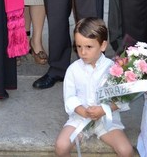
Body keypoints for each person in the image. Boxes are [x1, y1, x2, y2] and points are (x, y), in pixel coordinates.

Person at [54, 17, 133, 157]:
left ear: (103, 46)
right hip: (80, 118)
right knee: (61, 146)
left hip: (106, 120)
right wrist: (83, 112)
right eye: (79, 46)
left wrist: (104, 110)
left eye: (89, 47)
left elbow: (122, 98)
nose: (83, 52)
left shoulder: (113, 69)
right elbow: (70, 97)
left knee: (126, 150)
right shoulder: (73, 69)